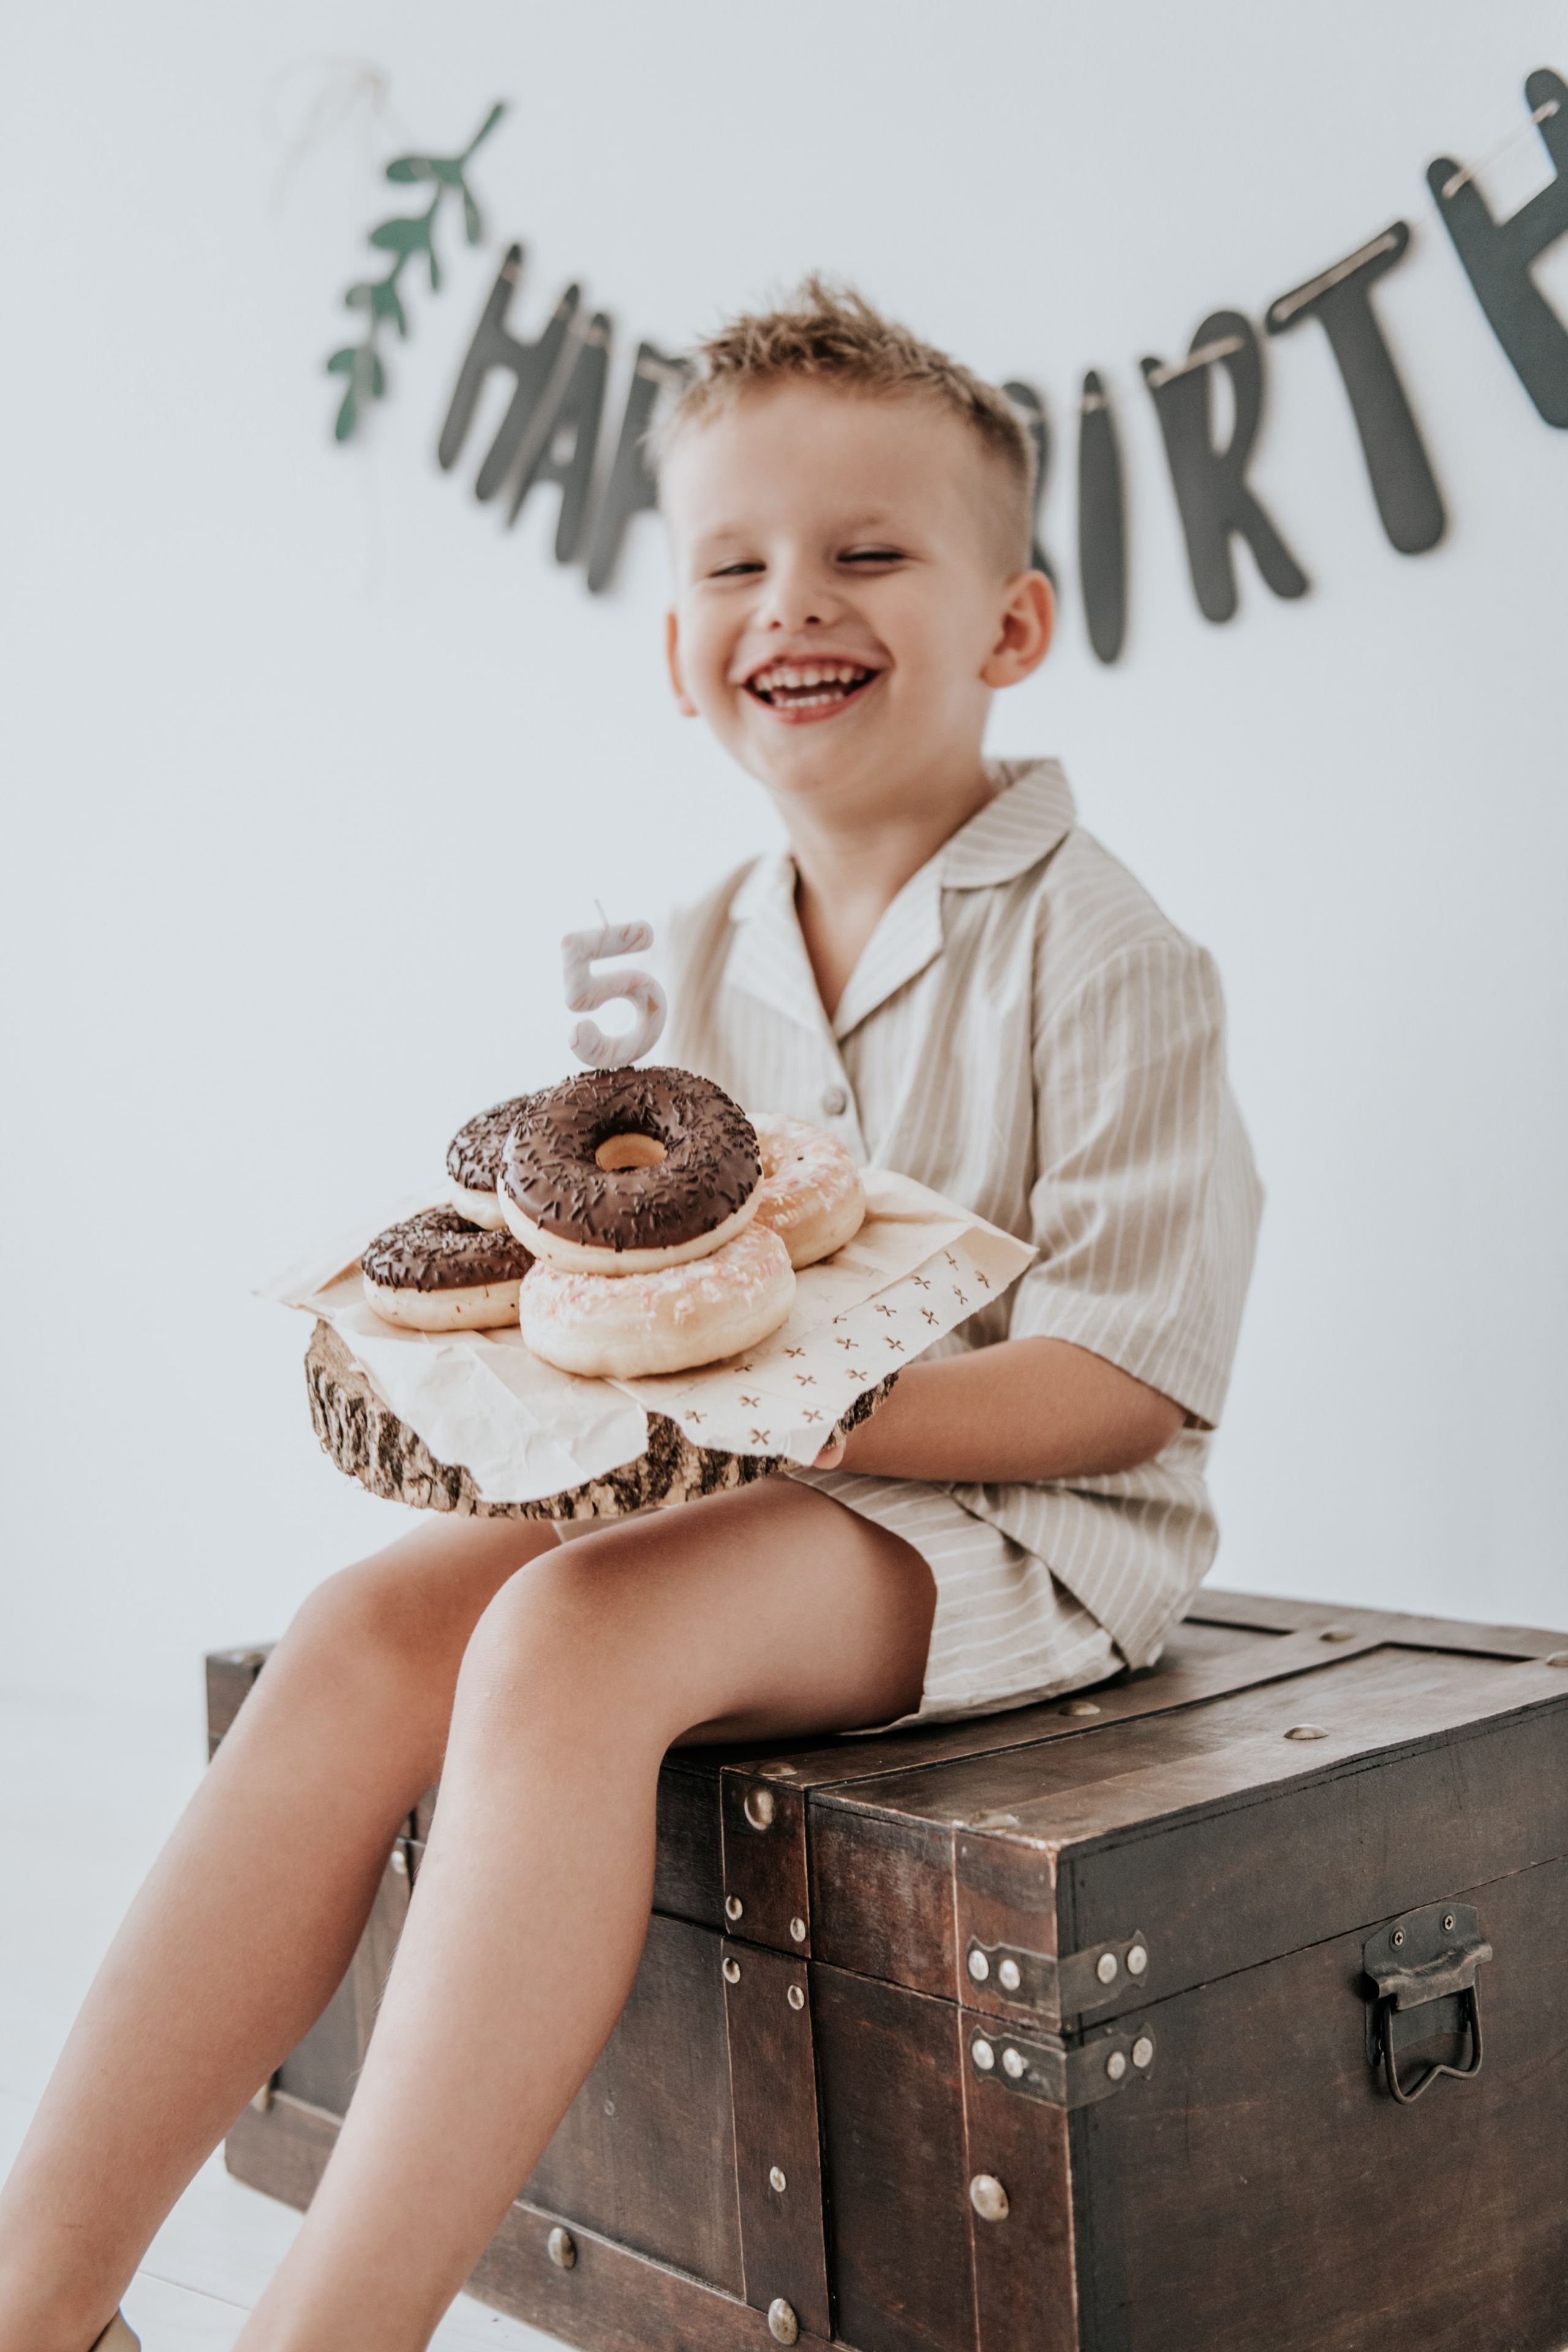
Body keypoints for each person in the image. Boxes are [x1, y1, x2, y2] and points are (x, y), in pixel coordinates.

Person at [0, 281, 1260, 2352]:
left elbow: (1134, 1384)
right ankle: (39, 2300)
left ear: (1011, 626)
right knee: (364, 1624)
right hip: (754, 1500)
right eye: (735, 564)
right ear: (681, 650)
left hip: (1023, 1525)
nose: (797, 601)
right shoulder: (696, 952)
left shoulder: (1105, 949)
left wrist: (807, 1410)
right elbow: (645, 1305)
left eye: (870, 551)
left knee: (570, 1641)